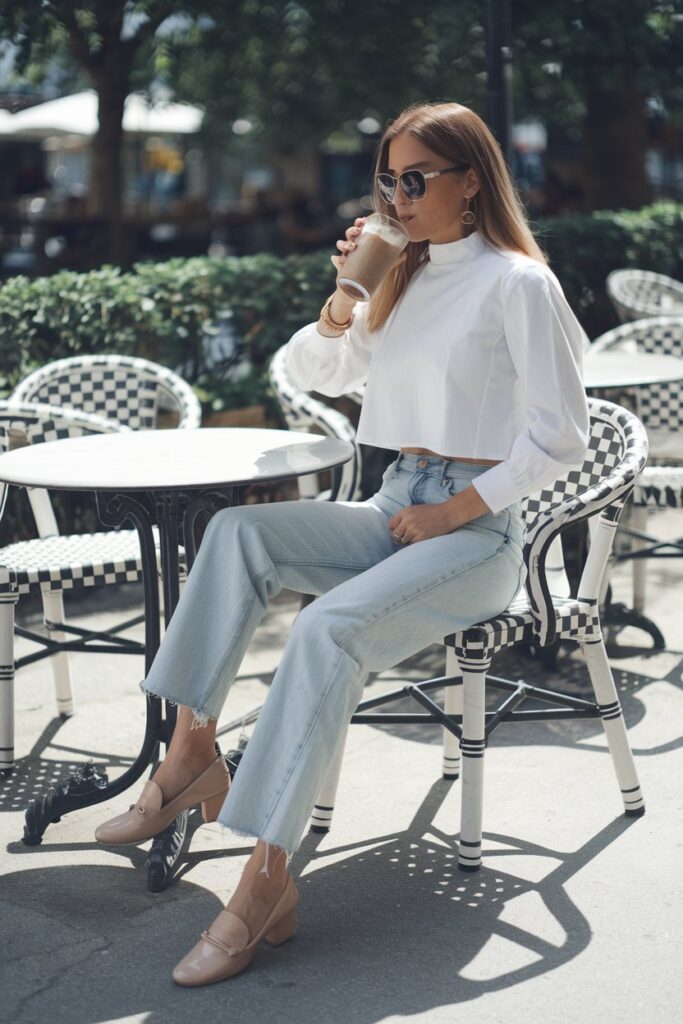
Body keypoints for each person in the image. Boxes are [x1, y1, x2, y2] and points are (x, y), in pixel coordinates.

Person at [95, 101, 589, 987]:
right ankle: (189, 753)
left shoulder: (518, 283)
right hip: (394, 500)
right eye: (386, 179)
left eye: (415, 179)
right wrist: (347, 297)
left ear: (470, 180)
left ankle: (264, 884)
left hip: (473, 536)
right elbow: (313, 373)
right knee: (238, 533)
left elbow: (560, 438)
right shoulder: (400, 277)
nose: (396, 198)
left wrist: (457, 508)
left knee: (325, 631)